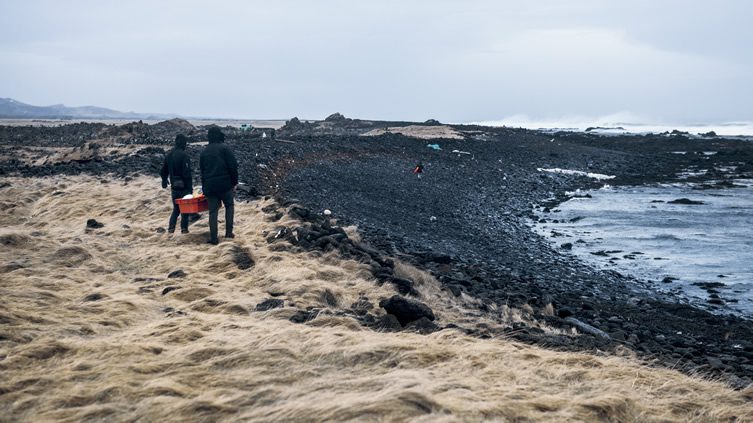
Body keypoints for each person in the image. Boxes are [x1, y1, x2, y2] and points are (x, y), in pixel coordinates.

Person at [200, 127, 238, 245]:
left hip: (210, 186)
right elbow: (233, 166)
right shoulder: (225, 148)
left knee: (213, 212)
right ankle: (228, 233)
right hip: (225, 185)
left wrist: (204, 188)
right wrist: (235, 182)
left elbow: (202, 172)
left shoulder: (204, 152)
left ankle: (214, 238)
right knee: (229, 206)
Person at [160, 134, 193, 234]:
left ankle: (171, 229)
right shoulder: (184, 156)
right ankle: (184, 230)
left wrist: (164, 181)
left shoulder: (169, 155)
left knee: (176, 209)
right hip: (184, 188)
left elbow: (163, 171)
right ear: (184, 144)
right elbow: (187, 174)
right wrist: (190, 189)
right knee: (185, 210)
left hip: (174, 187)